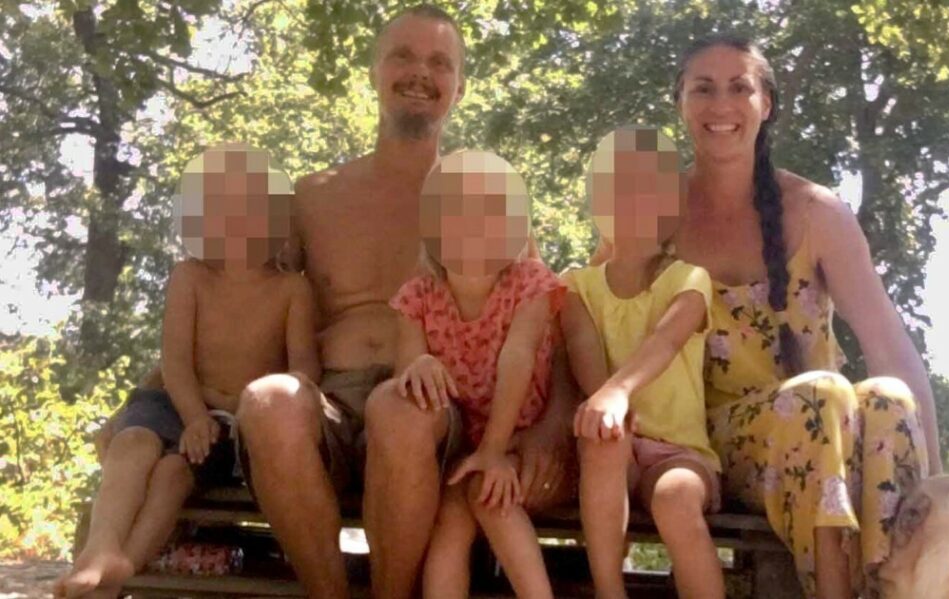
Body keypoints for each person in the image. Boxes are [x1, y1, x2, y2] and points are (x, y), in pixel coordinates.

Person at [592, 35, 949, 598]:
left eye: (739, 88)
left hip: (824, 439)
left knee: (888, 398)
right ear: (680, 102)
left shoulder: (817, 212)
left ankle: (910, 584)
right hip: (701, 448)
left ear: (765, 103)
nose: (721, 104)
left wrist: (940, 490)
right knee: (820, 393)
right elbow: (594, 313)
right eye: (703, 89)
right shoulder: (649, 209)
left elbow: (891, 350)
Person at [234, 6, 575, 599]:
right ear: (375, 72)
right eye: (403, 56)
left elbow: (547, 320)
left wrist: (553, 422)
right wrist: (154, 399)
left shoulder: (486, 199)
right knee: (269, 400)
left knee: (403, 406)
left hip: (437, 408)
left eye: (440, 63)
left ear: (459, 87)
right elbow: (248, 300)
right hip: (330, 398)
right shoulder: (313, 196)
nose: (420, 73)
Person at [57, 144, 320, 599]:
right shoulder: (190, 277)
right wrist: (194, 415)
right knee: (131, 441)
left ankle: (125, 565)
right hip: (178, 399)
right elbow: (174, 361)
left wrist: (239, 413)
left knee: (173, 474)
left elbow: (303, 370)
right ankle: (99, 549)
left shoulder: (292, 291)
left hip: (234, 420)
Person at [376, 150, 571, 598]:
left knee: (489, 493)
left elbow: (518, 357)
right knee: (450, 518)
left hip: (526, 440)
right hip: (468, 449)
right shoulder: (417, 297)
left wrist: (495, 450)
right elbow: (405, 372)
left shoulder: (530, 283)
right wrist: (419, 364)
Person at [563, 126, 724, 599]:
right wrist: (607, 405)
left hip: (679, 454)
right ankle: (609, 592)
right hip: (612, 448)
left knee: (675, 499)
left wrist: (619, 391)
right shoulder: (576, 286)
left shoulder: (689, 278)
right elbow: (581, 348)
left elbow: (665, 340)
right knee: (602, 439)